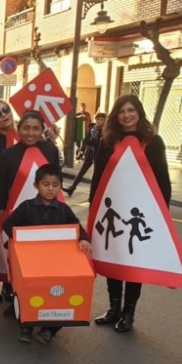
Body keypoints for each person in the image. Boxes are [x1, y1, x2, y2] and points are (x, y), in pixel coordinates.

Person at [89, 94, 171, 333]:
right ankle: (114, 307)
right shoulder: (107, 140)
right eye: (122, 111)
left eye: (131, 110)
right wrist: (94, 206)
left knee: (134, 262)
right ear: (116, 115)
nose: (126, 115)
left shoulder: (153, 142)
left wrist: (162, 213)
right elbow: (98, 177)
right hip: (112, 211)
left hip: (141, 214)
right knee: (115, 259)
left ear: (139, 113)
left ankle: (128, 312)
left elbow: (162, 179)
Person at [2, 164, 92, 344]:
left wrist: (84, 238)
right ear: (36, 185)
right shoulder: (27, 207)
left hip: (56, 261)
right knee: (30, 290)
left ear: (60, 186)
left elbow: (77, 226)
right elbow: (8, 225)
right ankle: (26, 326)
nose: (50, 189)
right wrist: (20, 239)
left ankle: (50, 329)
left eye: (55, 184)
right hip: (30, 260)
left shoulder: (63, 210)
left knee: (58, 293)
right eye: (45, 184)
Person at [0, 111, 60, 214]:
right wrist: (2, 211)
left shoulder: (51, 150)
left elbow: (57, 179)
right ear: (19, 130)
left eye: (36, 129)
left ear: (42, 131)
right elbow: (1, 188)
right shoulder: (7, 155)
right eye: (26, 128)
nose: (30, 133)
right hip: (17, 211)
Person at [64, 112, 105, 196]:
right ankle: (72, 188)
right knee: (81, 172)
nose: (99, 121)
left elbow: (101, 144)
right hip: (90, 154)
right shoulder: (92, 129)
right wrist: (81, 152)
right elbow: (86, 140)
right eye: (98, 119)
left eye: (101, 120)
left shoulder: (105, 131)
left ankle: (94, 193)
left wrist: (93, 141)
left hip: (99, 156)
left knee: (96, 175)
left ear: (105, 121)